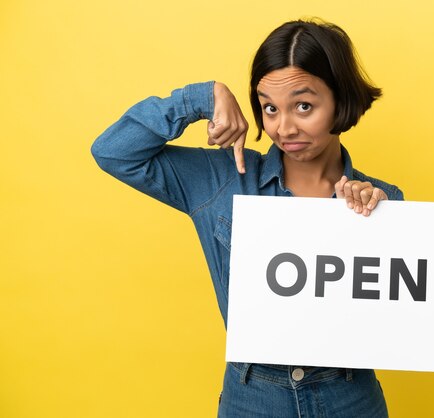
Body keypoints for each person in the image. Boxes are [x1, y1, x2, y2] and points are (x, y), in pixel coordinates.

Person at [92, 18, 403, 418]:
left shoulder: (383, 200)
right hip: (253, 396)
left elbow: (394, 325)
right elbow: (114, 151)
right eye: (269, 108)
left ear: (340, 100)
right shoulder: (221, 180)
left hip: (350, 395)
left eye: (303, 106)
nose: (283, 127)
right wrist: (203, 97)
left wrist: (380, 223)